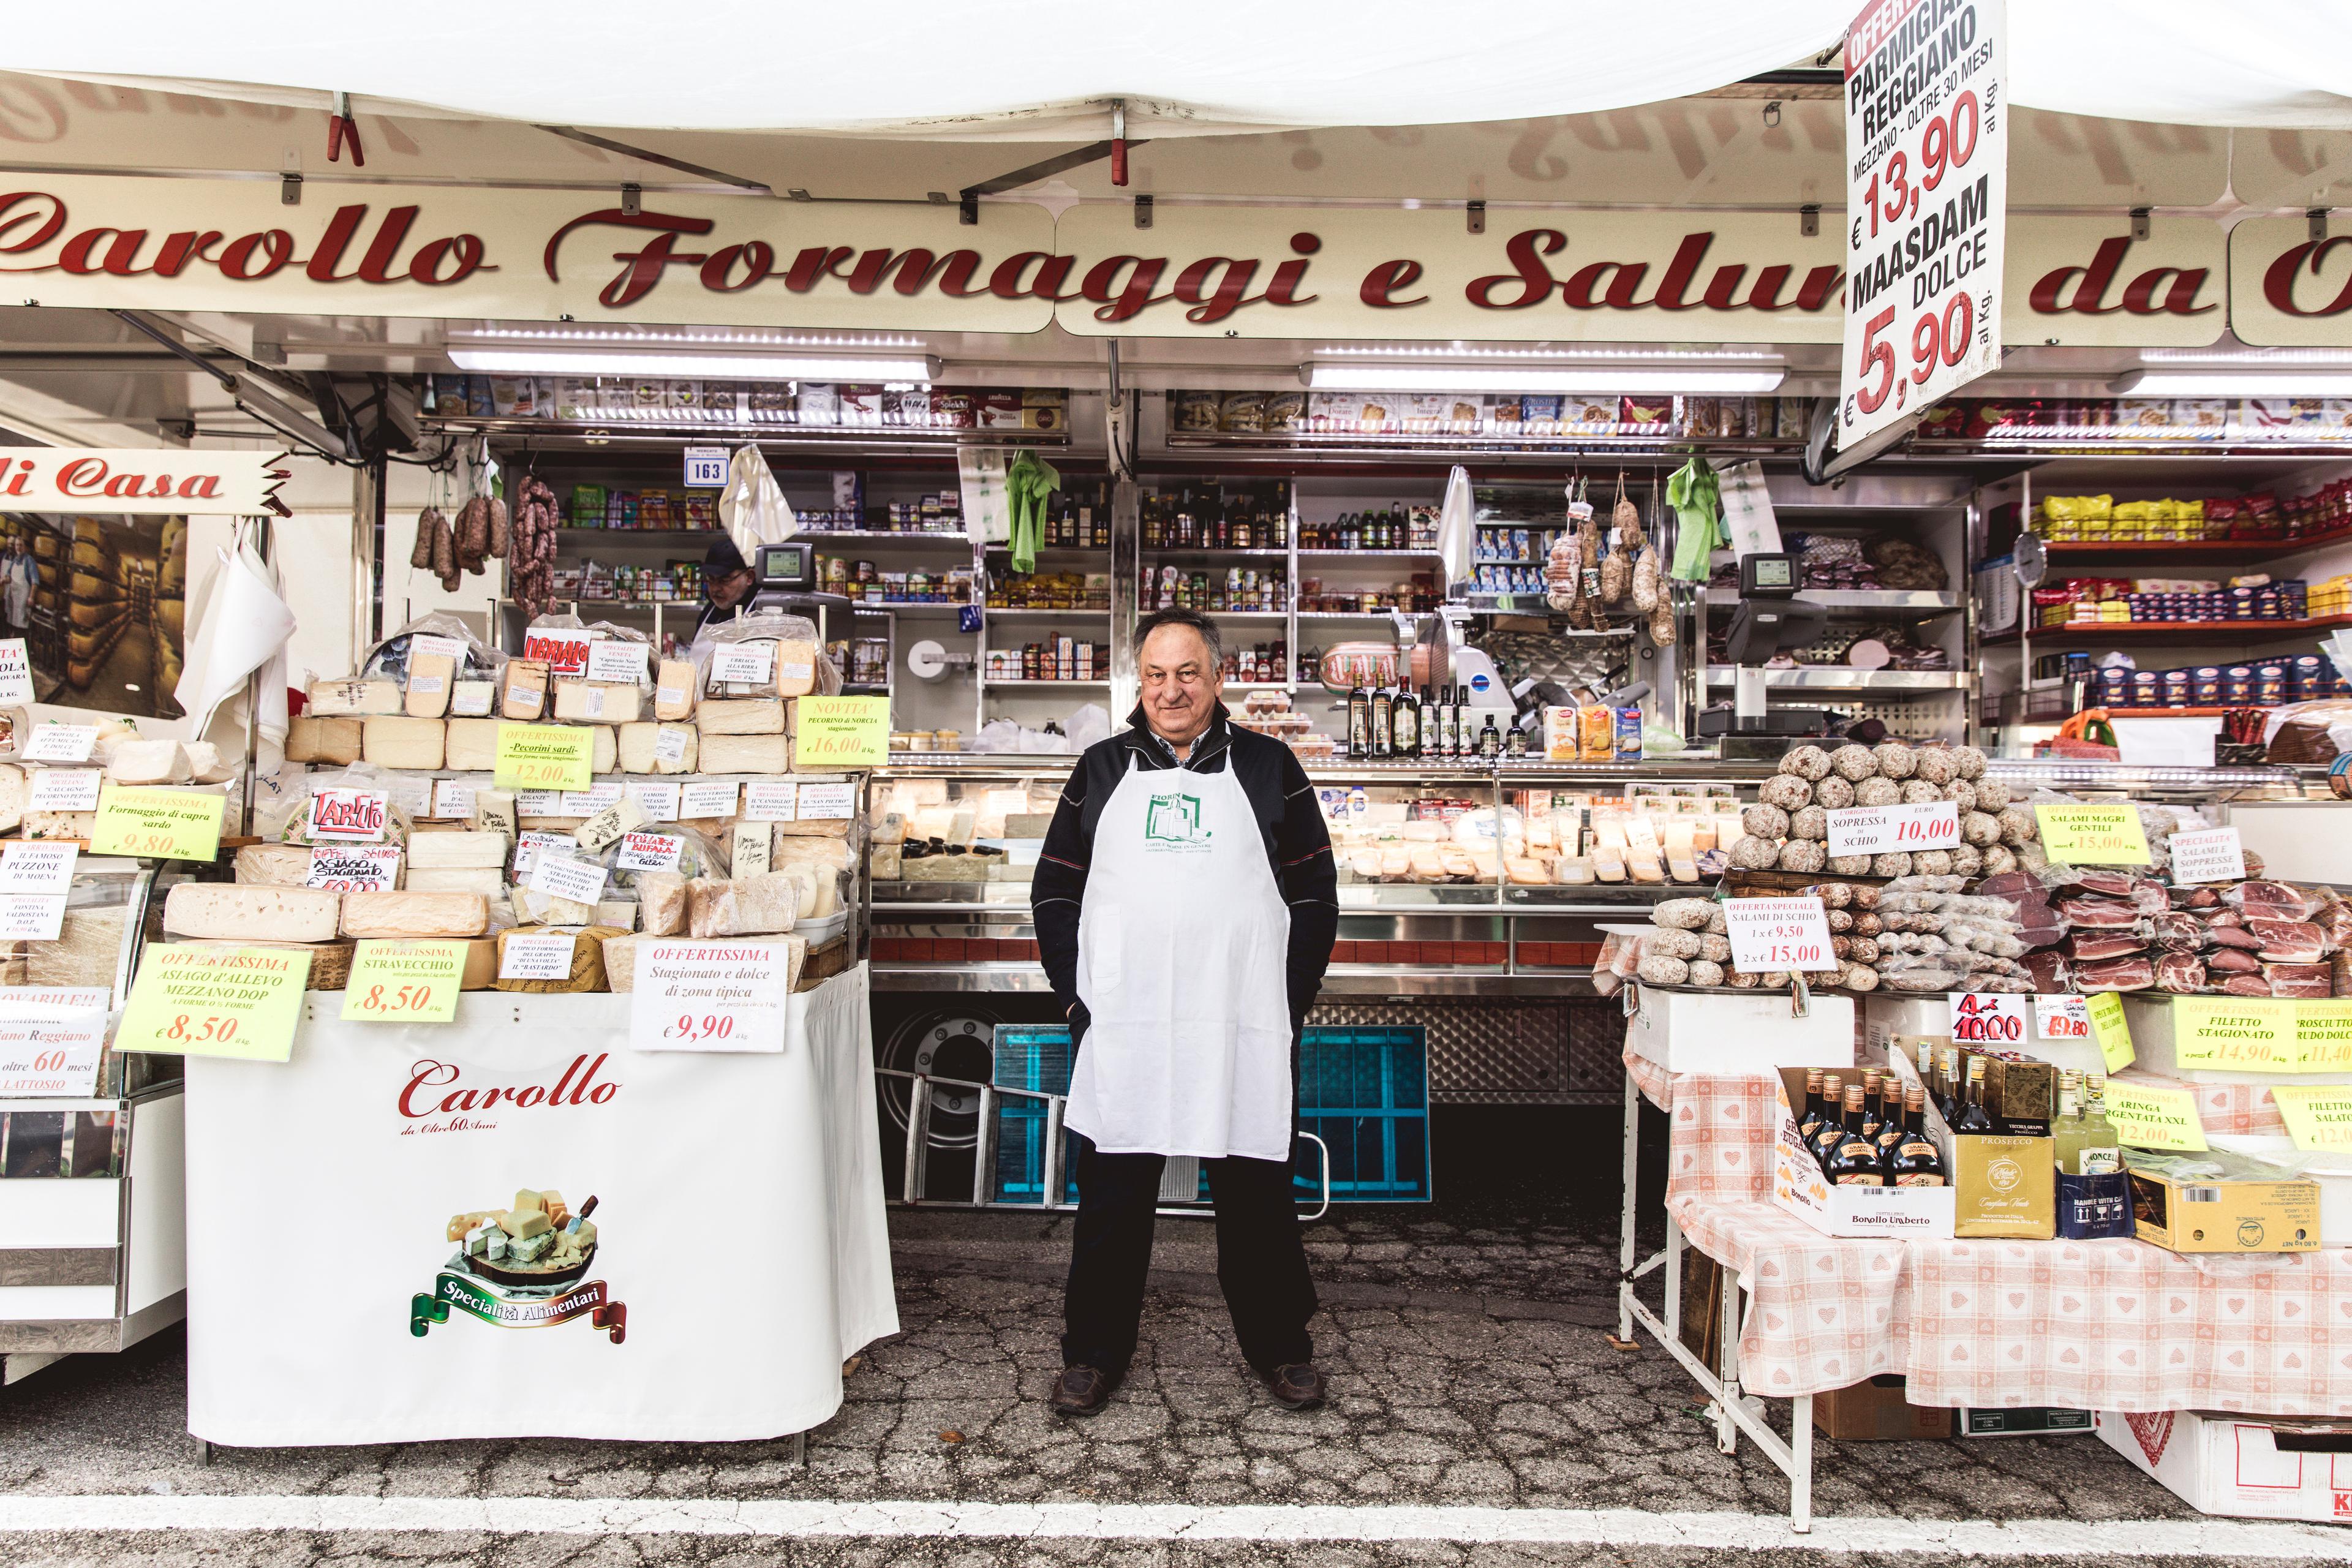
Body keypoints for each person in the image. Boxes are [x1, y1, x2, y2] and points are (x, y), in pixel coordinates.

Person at [1031, 606, 1339, 1417]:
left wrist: (1285, 1006)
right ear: (1141, 682)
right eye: (1157, 675)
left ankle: (1281, 1347)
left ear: (1217, 678)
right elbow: (1055, 890)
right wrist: (1077, 998)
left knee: (1256, 1188)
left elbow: (1313, 896)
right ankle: (1093, 1351)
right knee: (1112, 1194)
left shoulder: (1272, 767)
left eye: (1188, 673)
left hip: (1238, 1022)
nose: (1171, 690)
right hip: (1126, 1023)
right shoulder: (1100, 768)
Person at [693, 537, 757, 638]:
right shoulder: (708, 612)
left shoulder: (761, 615)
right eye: (710, 578)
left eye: (724, 580)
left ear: (749, 577)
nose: (715, 588)